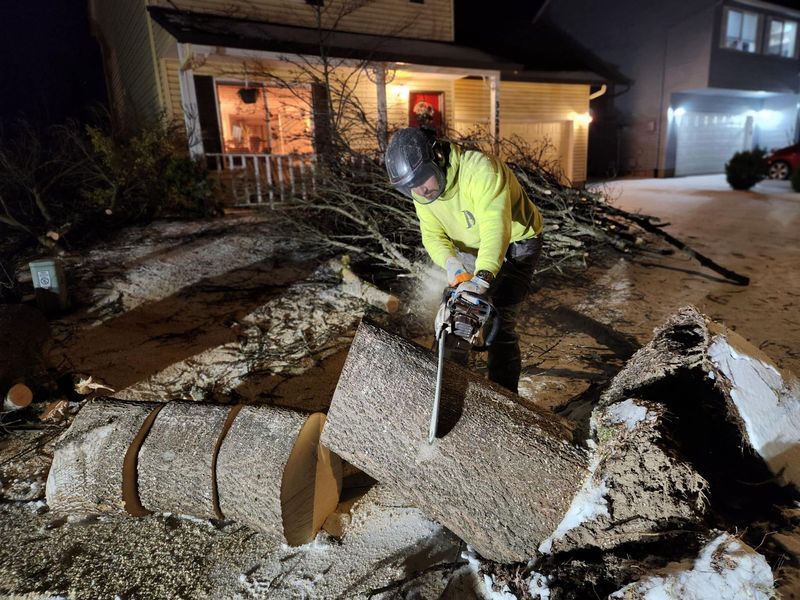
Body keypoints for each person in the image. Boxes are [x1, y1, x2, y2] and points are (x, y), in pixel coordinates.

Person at [385, 127, 544, 394]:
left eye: (423, 179)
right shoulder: (421, 191)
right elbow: (432, 236)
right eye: (411, 187)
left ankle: (506, 397)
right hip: (470, 247)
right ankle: (447, 382)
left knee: (500, 325)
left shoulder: (481, 171)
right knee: (458, 312)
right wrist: (453, 265)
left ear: (438, 157)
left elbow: (496, 228)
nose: (421, 190)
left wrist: (482, 278)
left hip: (517, 242)